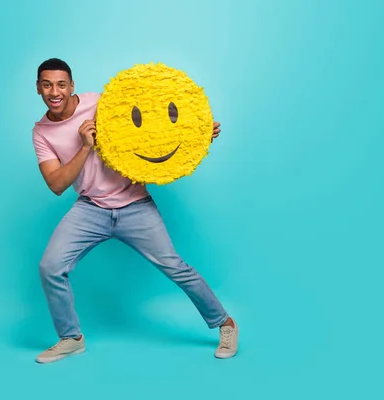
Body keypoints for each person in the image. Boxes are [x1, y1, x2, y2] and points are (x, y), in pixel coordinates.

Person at [31, 58, 238, 364]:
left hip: (134, 204)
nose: (55, 91)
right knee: (50, 267)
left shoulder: (102, 103)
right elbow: (57, 184)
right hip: (91, 209)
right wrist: (85, 146)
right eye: (47, 84)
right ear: (38, 88)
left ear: (72, 85)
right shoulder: (42, 133)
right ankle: (70, 338)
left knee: (175, 266)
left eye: (61, 84)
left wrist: (195, 135)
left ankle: (226, 324)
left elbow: (151, 126)